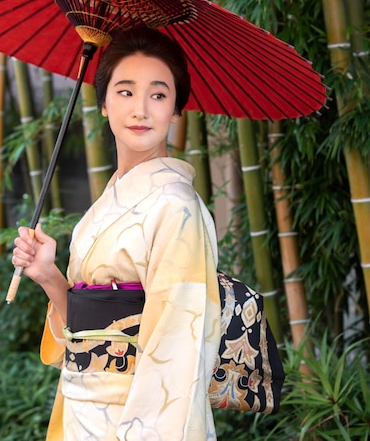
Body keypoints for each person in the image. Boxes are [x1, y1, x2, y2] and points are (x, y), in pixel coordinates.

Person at [12, 26, 222, 441]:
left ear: (177, 109)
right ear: (104, 103)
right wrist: (48, 274)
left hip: (135, 420)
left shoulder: (176, 208)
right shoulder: (104, 205)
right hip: (80, 410)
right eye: (125, 92)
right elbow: (83, 327)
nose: (140, 109)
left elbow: (178, 346)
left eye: (158, 95)